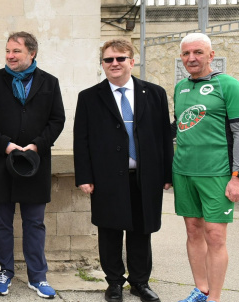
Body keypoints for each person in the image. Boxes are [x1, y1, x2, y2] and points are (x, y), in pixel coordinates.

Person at [73, 39, 172, 302]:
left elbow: (164, 136)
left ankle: (140, 282)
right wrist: (84, 176)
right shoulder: (89, 97)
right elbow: (80, 140)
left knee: (142, 230)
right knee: (110, 231)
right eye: (108, 60)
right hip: (106, 178)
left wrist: (166, 173)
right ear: (102, 65)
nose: (114, 63)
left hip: (145, 176)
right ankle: (114, 283)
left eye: (120, 58)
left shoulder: (155, 93)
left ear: (132, 61)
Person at [0, 32, 65, 299]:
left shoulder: (50, 82)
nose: (10, 56)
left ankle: (38, 276)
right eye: (7, 51)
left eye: (16, 51)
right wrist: (6, 145)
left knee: (34, 223)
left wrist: (36, 145)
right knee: (1, 223)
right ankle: (4, 272)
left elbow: (57, 120)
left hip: (34, 164)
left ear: (32, 54)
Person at [173, 33, 239, 302]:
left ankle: (214, 298)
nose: (191, 58)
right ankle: (200, 290)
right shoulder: (180, 87)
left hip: (217, 173)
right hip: (183, 172)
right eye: (185, 54)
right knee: (193, 230)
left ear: (211, 55)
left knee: (215, 235)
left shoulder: (228, 85)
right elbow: (180, 128)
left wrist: (238, 176)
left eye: (198, 52)